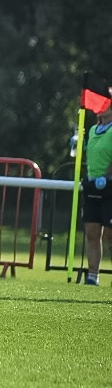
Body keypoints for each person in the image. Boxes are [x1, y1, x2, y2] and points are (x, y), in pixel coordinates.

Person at [80, 100, 112, 286]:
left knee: (110, 234)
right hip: (93, 186)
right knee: (92, 233)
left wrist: (107, 175)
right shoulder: (93, 130)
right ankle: (92, 276)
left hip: (109, 187)